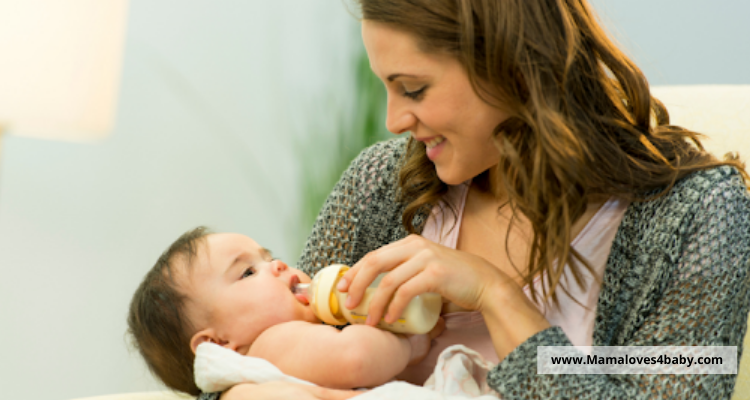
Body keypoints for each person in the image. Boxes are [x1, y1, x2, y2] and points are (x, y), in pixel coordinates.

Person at [202, 0, 750, 399]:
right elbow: (244, 362)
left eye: (414, 89)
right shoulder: (378, 187)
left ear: (512, 64)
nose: (394, 121)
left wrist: (495, 294)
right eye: (386, 88)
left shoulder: (696, 212)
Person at [127, 227, 438, 396]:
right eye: (248, 272)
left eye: (269, 257)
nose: (277, 265)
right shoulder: (270, 344)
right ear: (218, 346)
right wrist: (409, 343)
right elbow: (355, 358)